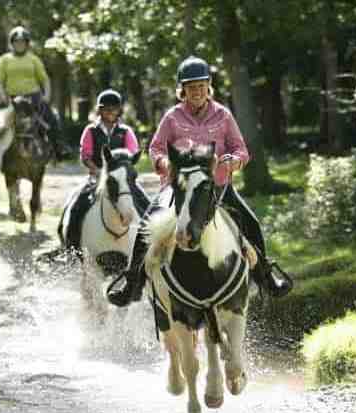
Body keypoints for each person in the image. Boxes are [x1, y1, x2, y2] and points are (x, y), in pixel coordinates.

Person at [106, 56, 293, 307]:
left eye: (201, 86)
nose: (197, 91)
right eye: (191, 87)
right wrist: (164, 163)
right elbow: (155, 148)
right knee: (146, 227)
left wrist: (232, 161)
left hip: (216, 188)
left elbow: (241, 150)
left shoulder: (224, 116)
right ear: (182, 90)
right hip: (179, 189)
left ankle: (266, 277)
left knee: (251, 222)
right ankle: (132, 281)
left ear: (209, 86)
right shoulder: (172, 117)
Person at [60, 89, 140, 251]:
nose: (110, 112)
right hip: (96, 177)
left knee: (145, 204)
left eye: (114, 108)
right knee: (77, 204)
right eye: (106, 108)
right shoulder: (91, 130)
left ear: (119, 110)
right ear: (100, 110)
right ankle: (71, 243)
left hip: (122, 180)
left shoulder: (126, 132)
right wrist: (98, 172)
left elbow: (131, 155)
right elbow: (85, 155)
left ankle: (148, 245)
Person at [0, 26, 66, 159]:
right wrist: (3, 96)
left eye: (22, 42)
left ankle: (59, 148)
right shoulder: (4, 59)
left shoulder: (34, 59)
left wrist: (47, 96)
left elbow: (44, 79)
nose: (19, 44)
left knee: (52, 119)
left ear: (27, 43)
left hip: (33, 99)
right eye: (17, 41)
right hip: (11, 100)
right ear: (12, 43)